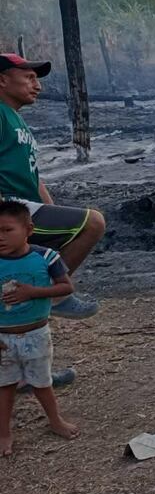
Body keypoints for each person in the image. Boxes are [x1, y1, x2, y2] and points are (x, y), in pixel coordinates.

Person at [0, 53, 108, 390]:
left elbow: (33, 175)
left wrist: (52, 210)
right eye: (29, 77)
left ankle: (22, 375)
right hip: (11, 212)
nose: (38, 85)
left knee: (10, 302)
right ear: (3, 79)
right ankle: (54, 296)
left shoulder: (15, 118)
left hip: (26, 212)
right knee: (92, 223)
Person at [0, 200, 79, 457]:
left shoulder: (46, 257)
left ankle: (55, 421)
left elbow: (66, 287)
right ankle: (4, 433)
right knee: (5, 386)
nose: (0, 237)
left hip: (36, 334)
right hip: (3, 338)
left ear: (28, 229)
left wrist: (33, 293)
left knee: (42, 382)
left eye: (6, 230)